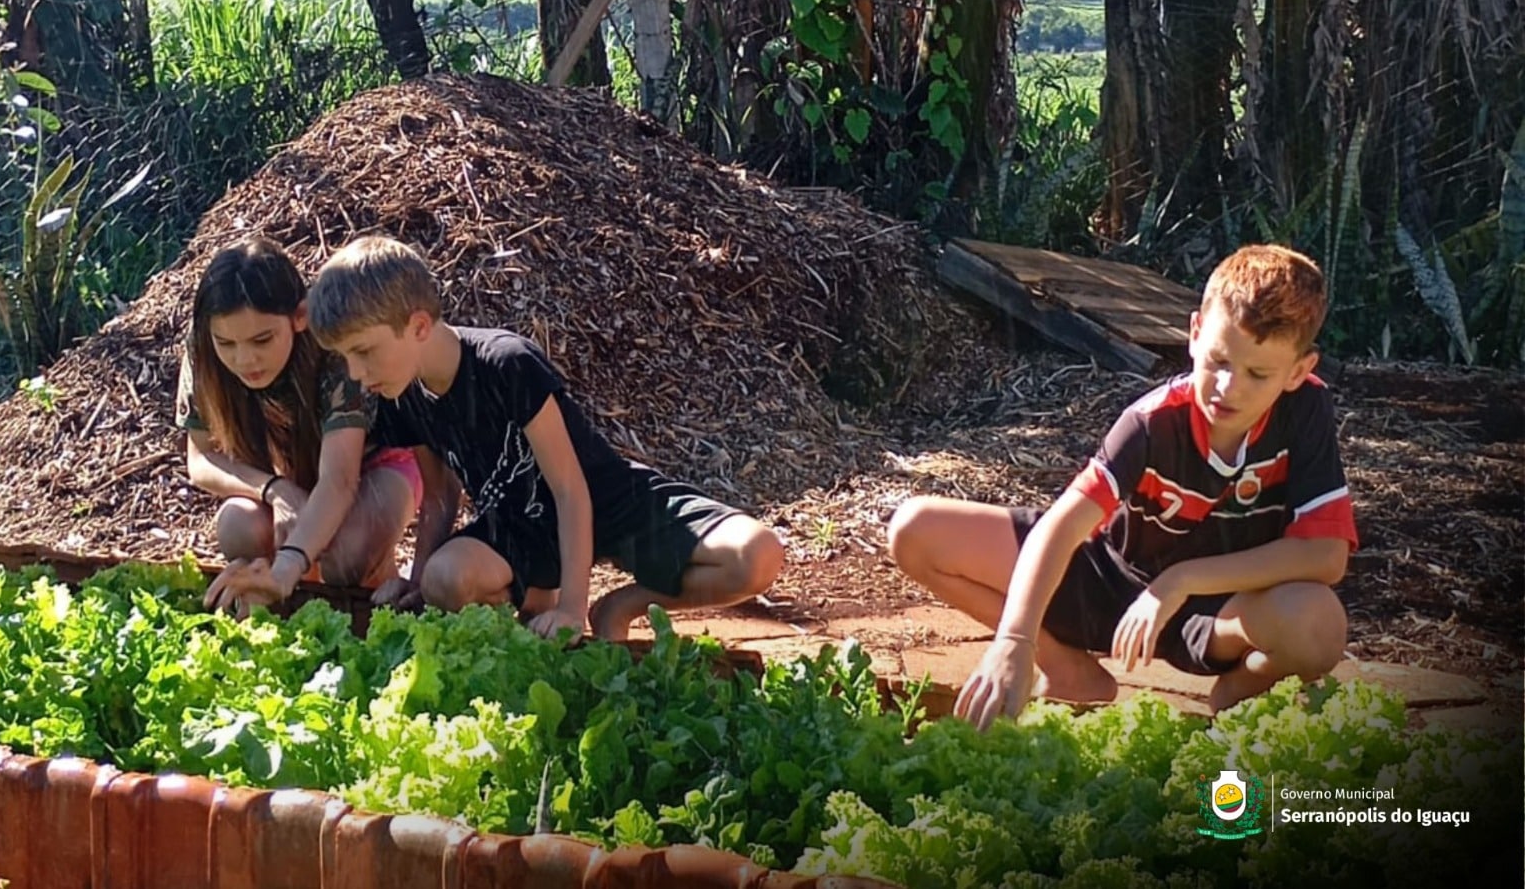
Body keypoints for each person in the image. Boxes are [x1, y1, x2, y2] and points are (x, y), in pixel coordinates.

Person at [887, 244, 1357, 727]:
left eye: (1258, 374)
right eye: (1218, 361)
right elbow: (1063, 527)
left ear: (1299, 371)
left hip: (1218, 615)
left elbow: (1325, 556)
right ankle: (1067, 668)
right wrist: (1015, 641)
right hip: (1108, 583)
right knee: (915, 530)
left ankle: (1240, 695)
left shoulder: (1305, 412)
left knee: (1318, 625)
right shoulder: (1151, 421)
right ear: (1195, 334)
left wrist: (1180, 580)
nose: (1228, 388)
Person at [303, 234, 785, 641]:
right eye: (346, 358)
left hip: (609, 503)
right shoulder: (402, 395)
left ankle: (616, 607)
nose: (357, 374)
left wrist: (576, 607)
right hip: (518, 531)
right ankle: (531, 609)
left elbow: (570, 489)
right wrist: (416, 579)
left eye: (363, 352)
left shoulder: (507, 363)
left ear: (418, 326)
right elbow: (440, 496)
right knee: (444, 579)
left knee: (757, 557)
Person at [177, 237, 421, 618]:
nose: (244, 359)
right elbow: (202, 459)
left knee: (346, 556)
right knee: (237, 526)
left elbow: (340, 480)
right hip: (291, 477)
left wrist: (291, 560)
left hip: (372, 471)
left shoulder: (334, 347)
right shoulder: (202, 351)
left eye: (262, 339)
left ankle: (375, 604)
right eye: (226, 343)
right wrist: (276, 490)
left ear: (299, 317)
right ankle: (270, 616)